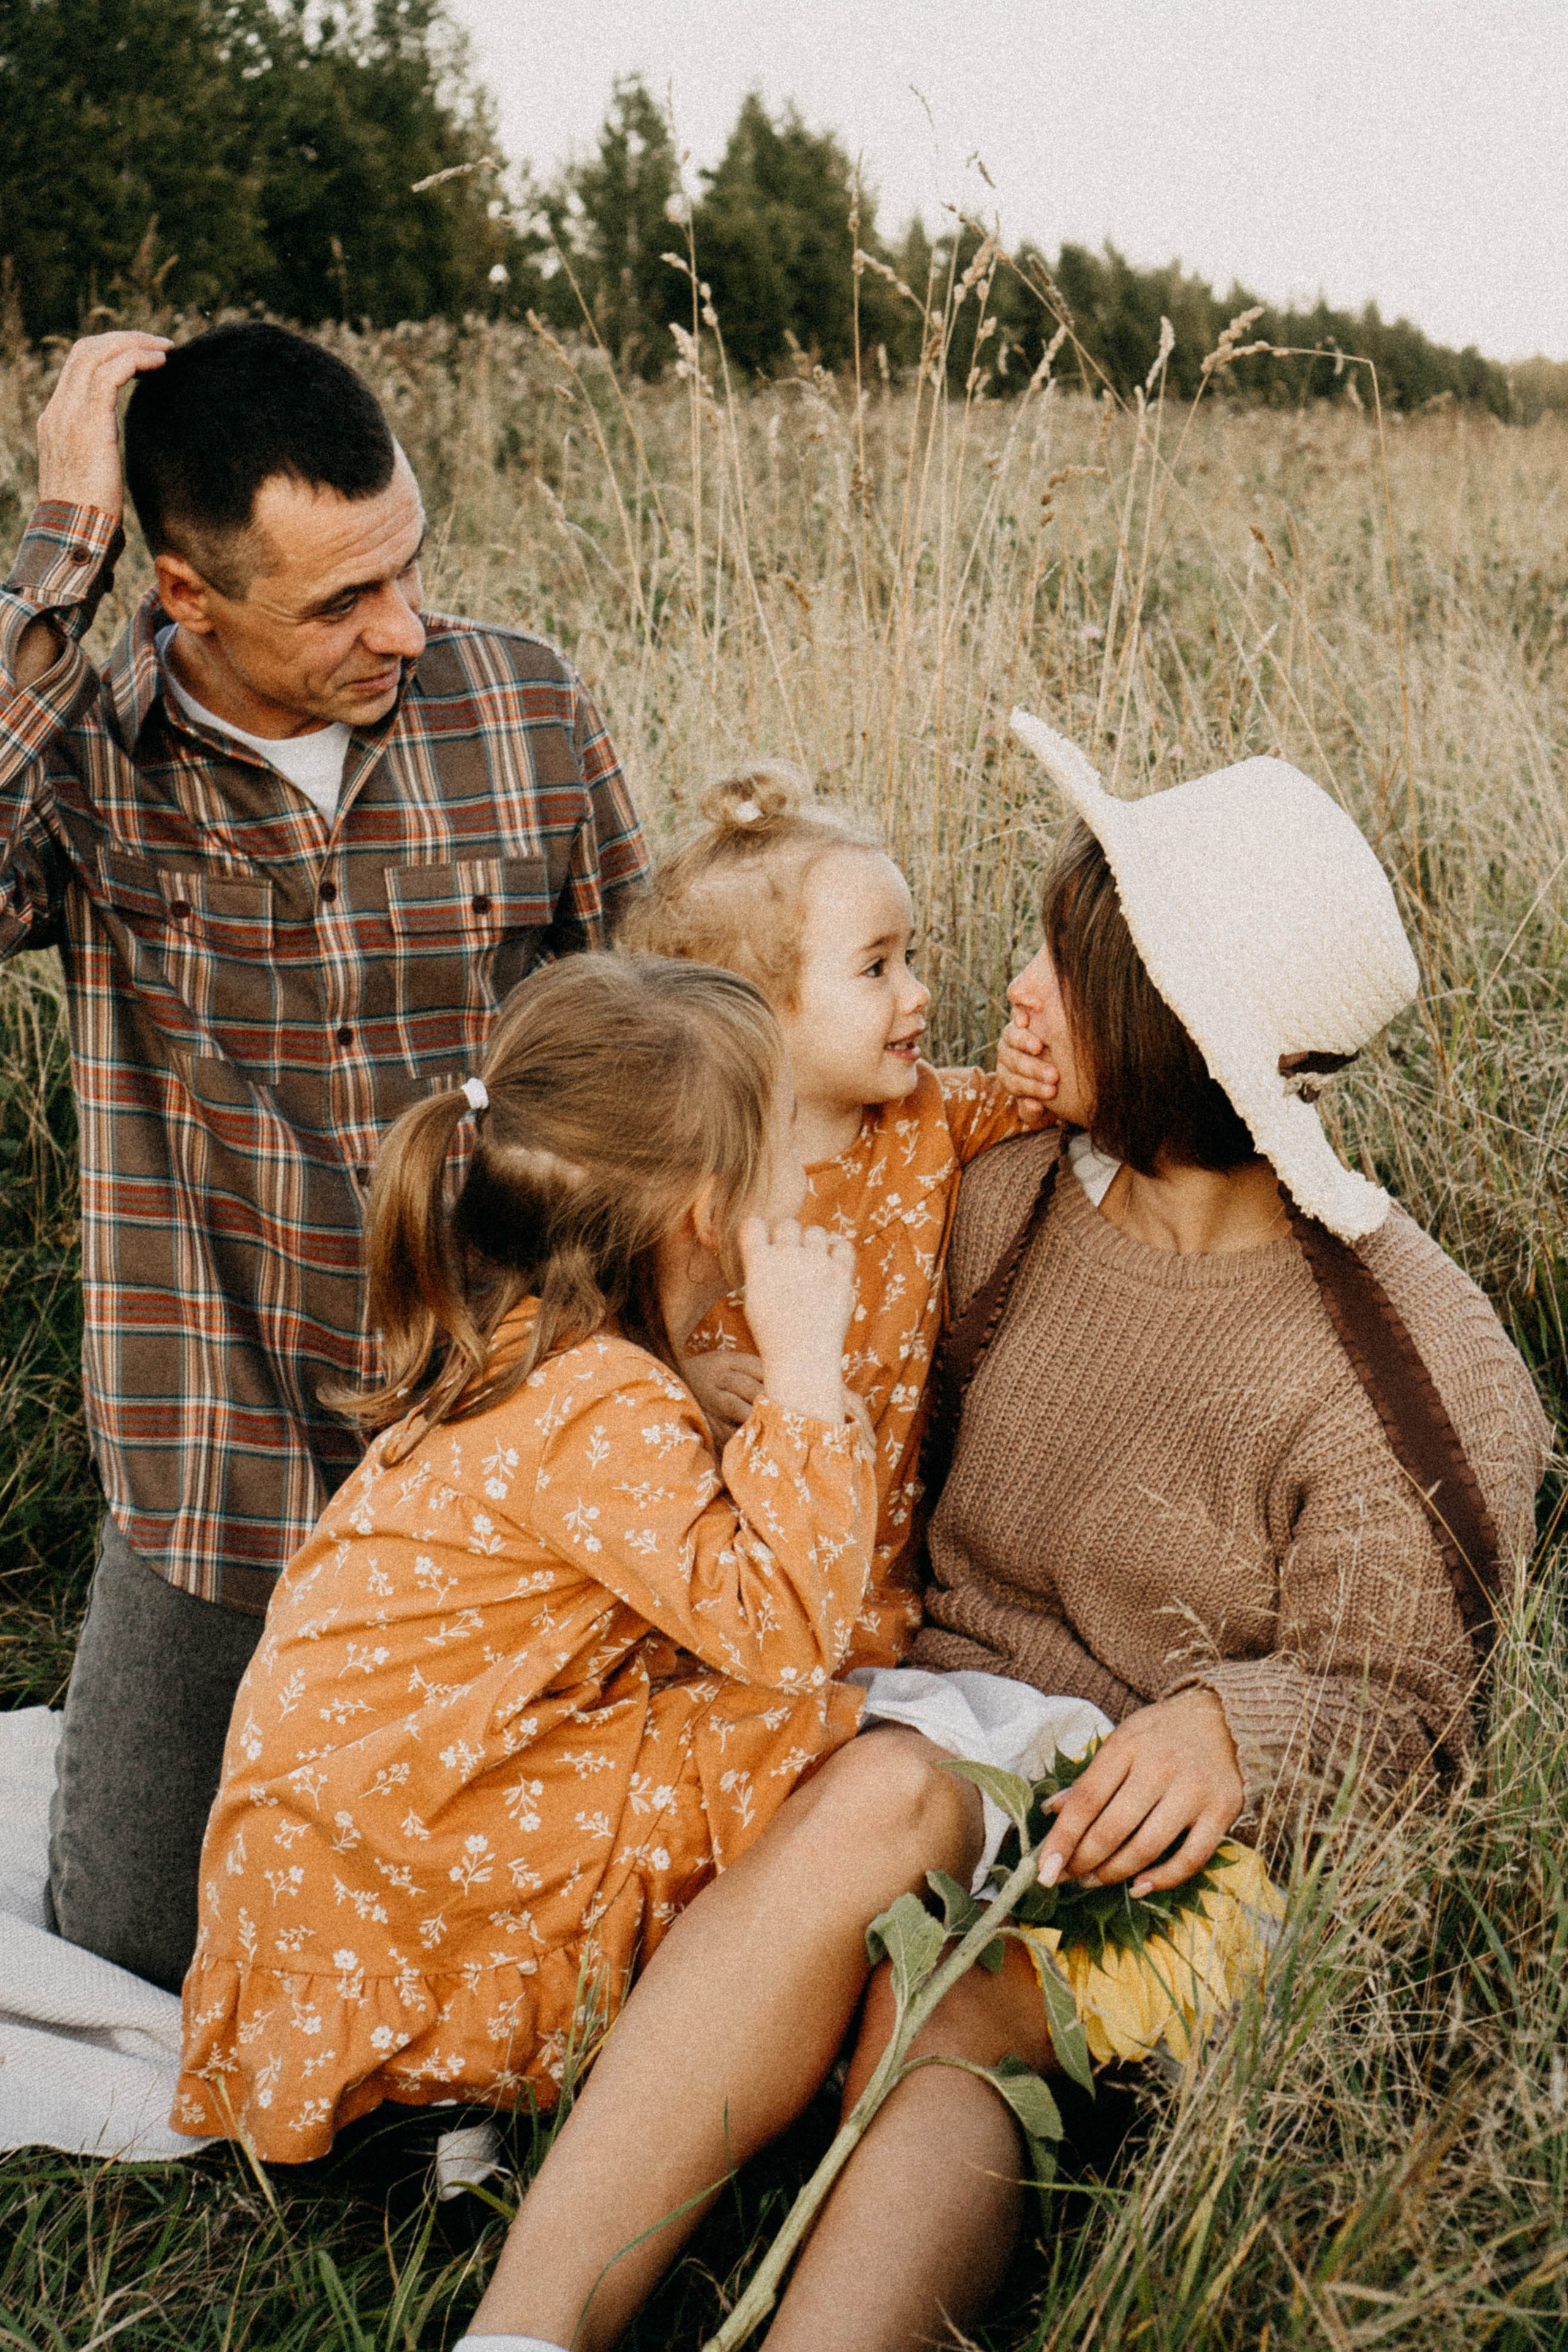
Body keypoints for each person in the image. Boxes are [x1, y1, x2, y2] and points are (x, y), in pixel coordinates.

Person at [440, 720, 1548, 2352]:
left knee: (957, 1994)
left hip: (1162, 1840)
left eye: (1065, 967)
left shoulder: (1409, 1354)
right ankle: (521, 2339)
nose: (1017, 991)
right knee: (878, 1798)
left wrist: (1237, 1727)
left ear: (1173, 1029)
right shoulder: (1005, 1199)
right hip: (919, 1746)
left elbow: (1417, 1703)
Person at [0, 324, 649, 1991]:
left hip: (495, 1437)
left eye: (408, 570)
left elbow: (656, 1044)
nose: (403, 628)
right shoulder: (83, 753)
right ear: (189, 600)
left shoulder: (527, 706)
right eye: (342, 604)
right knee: (143, 1945)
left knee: (544, 1905)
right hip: (222, 1445)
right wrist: (59, 546)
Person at [173, 949, 959, 2157]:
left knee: (734, 1734)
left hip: (341, 1843)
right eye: (776, 1155)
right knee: (793, 1745)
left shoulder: (537, 1346)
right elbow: (784, 1635)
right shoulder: (605, 1408)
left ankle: (458, 2082)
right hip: (404, 1857)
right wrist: (804, 1379)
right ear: (711, 1211)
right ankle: (461, 2076)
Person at [621, 765, 1043, 1667]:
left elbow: (1038, 1100)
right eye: (876, 968)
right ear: (755, 1010)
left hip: (876, 1572)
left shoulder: (928, 1115)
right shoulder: (683, 1171)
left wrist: (1032, 1060)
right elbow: (598, 1340)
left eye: (911, 957)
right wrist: (686, 1382)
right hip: (710, 1584)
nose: (919, 993)